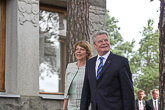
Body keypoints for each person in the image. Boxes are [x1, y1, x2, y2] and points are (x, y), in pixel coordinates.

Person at [80, 30, 135, 110]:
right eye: (100, 41)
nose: (104, 43)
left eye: (106, 40)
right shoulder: (90, 63)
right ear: (95, 46)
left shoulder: (121, 62)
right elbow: (86, 92)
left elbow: (128, 93)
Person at [63, 41, 92, 110]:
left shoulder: (91, 67)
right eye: (76, 49)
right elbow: (66, 89)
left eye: (82, 49)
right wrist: (64, 108)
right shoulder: (70, 66)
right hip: (71, 104)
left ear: (87, 53)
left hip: (86, 104)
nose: (78, 51)